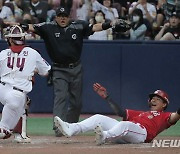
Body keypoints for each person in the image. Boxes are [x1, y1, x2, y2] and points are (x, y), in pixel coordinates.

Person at [20, 6, 129, 137]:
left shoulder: (79, 25)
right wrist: (17, 26)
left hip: (76, 68)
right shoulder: (48, 27)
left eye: (65, 16)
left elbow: (94, 27)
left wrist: (111, 24)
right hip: (59, 68)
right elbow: (30, 27)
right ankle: (58, 128)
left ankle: (70, 126)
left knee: (76, 102)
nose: (62, 18)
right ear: (56, 17)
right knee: (60, 97)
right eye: (60, 16)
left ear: (69, 17)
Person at [54, 83, 180, 145]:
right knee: (99, 118)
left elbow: (176, 116)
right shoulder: (141, 114)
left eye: (158, 99)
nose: (154, 100)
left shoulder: (164, 116)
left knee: (124, 125)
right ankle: (71, 128)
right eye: (153, 98)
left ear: (164, 104)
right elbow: (120, 112)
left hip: (142, 135)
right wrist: (107, 97)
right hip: (126, 132)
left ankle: (104, 136)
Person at [0, 25, 51, 140]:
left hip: (1, 88)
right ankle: (4, 129)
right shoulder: (32, 53)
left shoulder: (3, 53)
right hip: (16, 92)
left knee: (23, 102)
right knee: (19, 101)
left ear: (10, 39)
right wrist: (34, 70)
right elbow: (46, 71)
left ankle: (18, 134)